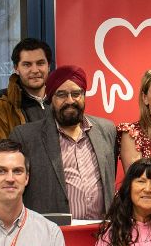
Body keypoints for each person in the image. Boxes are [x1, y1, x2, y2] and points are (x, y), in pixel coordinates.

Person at [9, 65, 117, 220]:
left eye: (76, 94)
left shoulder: (107, 130)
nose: (70, 101)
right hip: (52, 233)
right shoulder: (26, 137)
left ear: (84, 95)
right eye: (61, 95)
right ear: (51, 98)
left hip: (101, 232)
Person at [0, 37, 54, 150]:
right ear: (16, 68)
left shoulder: (61, 104)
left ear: (48, 66)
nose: (35, 70)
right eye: (27, 64)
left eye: (40, 63)